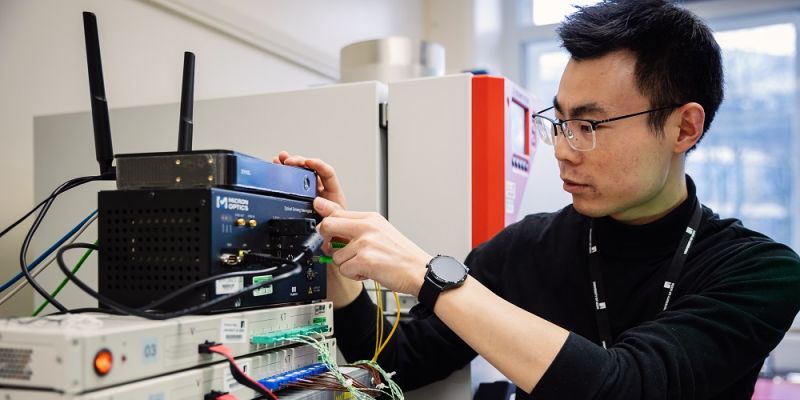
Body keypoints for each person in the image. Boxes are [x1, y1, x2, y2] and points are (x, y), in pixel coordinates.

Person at [275, 0, 800, 398]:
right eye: (562, 123)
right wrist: (338, 265)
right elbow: (399, 365)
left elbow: (626, 386)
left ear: (684, 127)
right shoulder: (526, 247)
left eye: (590, 125)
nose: (564, 151)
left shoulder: (759, 270)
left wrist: (429, 274)